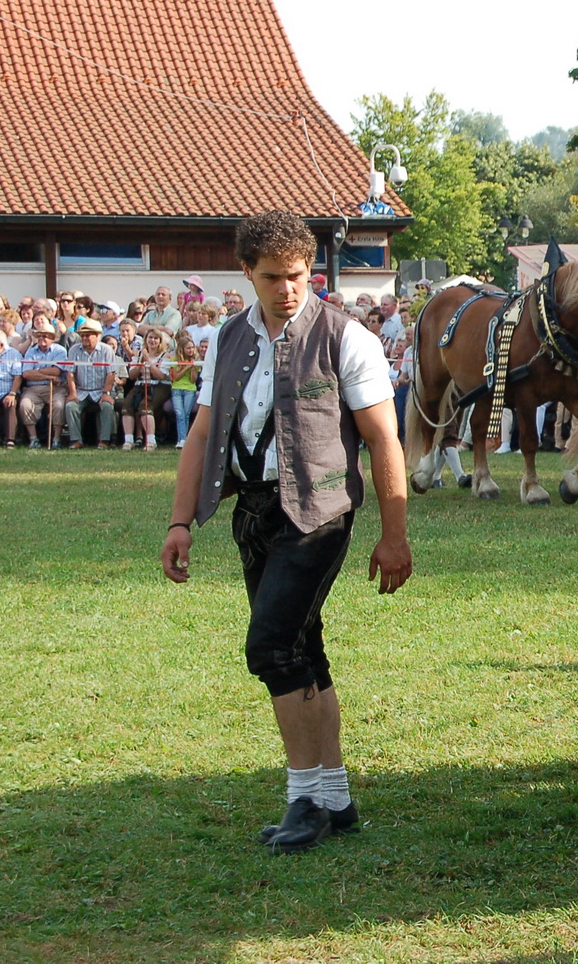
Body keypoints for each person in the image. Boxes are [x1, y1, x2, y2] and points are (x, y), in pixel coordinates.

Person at [161, 209, 412, 854]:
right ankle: (334, 797)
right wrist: (180, 520)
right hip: (253, 510)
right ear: (247, 273)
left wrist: (395, 534)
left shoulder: (345, 336)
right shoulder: (226, 339)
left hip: (321, 513)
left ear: (312, 271)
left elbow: (384, 438)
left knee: (271, 649)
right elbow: (200, 432)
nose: (287, 289)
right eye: (271, 277)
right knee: (305, 650)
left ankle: (304, 796)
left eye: (297, 276)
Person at [64, 319, 122, 449]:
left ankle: (104, 441)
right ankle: (76, 440)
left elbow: (111, 373)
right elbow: (70, 373)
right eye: (82, 335)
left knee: (107, 406)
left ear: (97, 336)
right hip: (82, 390)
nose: (84, 338)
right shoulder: (74, 350)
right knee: (70, 406)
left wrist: (106, 393)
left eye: (88, 335)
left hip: (101, 390)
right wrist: (73, 393)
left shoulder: (107, 350)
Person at [17, 319, 70, 448]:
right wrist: (47, 375)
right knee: (25, 404)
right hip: (33, 388)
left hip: (56, 388)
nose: (42, 338)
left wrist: (37, 371)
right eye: (39, 336)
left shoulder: (60, 351)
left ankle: (56, 439)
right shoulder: (31, 351)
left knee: (58, 405)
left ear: (52, 338)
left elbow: (57, 371)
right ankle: (33, 438)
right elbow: (26, 374)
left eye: (45, 336)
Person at [121, 328, 172, 451]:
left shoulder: (165, 356)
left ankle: (150, 441)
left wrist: (148, 360)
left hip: (159, 385)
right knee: (126, 405)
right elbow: (132, 375)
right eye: (150, 337)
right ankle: (128, 440)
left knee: (145, 406)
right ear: (146, 340)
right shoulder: (138, 355)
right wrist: (140, 362)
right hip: (140, 383)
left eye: (155, 338)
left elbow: (160, 375)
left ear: (160, 341)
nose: (152, 340)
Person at [168, 332, 202, 450]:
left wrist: (193, 368)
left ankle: (184, 439)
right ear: (182, 349)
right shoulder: (175, 359)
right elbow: (176, 377)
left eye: (192, 347)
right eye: (188, 348)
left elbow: (193, 380)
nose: (191, 350)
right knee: (179, 414)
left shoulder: (196, 360)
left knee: (186, 414)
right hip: (177, 389)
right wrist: (187, 366)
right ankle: (181, 439)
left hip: (190, 390)